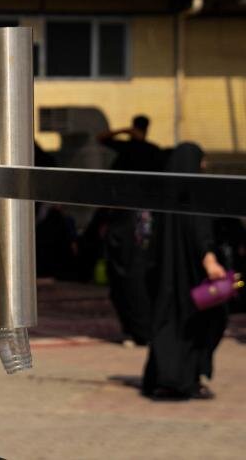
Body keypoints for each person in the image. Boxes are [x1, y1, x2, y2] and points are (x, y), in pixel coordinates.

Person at [141, 143, 228, 400]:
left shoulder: (162, 195)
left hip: (165, 276)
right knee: (194, 325)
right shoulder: (194, 194)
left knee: (166, 324)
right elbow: (200, 230)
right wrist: (210, 260)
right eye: (201, 161)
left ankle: (161, 379)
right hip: (190, 274)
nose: (204, 166)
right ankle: (182, 381)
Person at [95, 115, 162, 345]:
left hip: (134, 223)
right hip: (126, 221)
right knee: (126, 277)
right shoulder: (135, 149)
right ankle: (135, 329)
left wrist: (123, 131)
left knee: (134, 276)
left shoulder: (148, 151)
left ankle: (140, 330)